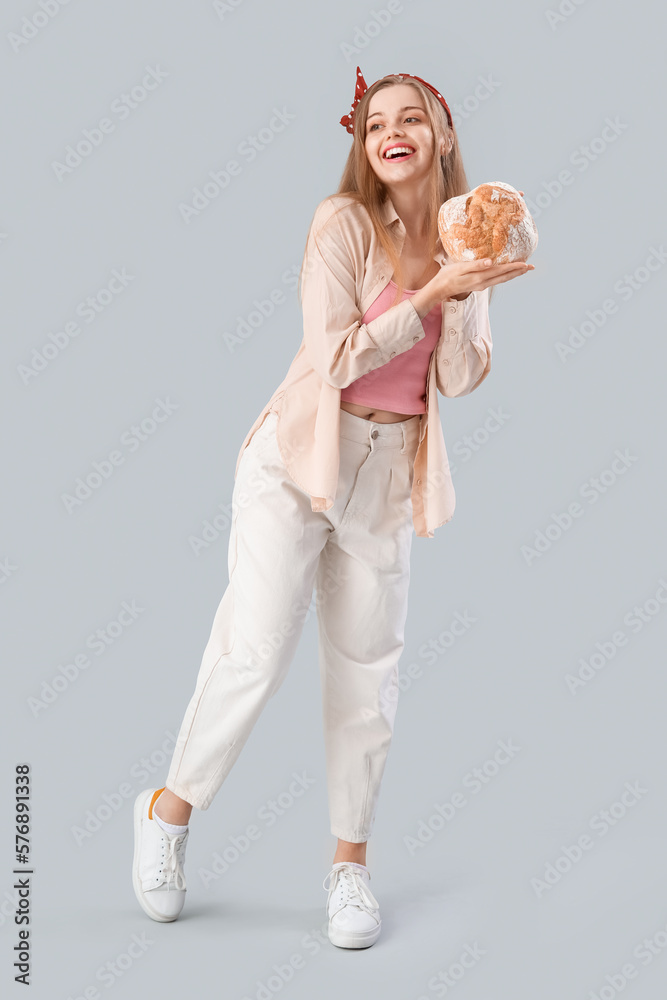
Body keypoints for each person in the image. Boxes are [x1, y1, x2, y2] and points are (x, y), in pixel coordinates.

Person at [131, 66, 534, 949]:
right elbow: (338, 357)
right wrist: (425, 296)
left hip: (391, 472)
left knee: (366, 679)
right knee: (255, 648)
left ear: (442, 135)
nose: (392, 132)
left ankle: (349, 869)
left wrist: (467, 290)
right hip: (299, 457)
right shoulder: (341, 224)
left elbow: (459, 378)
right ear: (363, 144)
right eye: (376, 122)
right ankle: (166, 815)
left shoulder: (473, 234)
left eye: (411, 119)